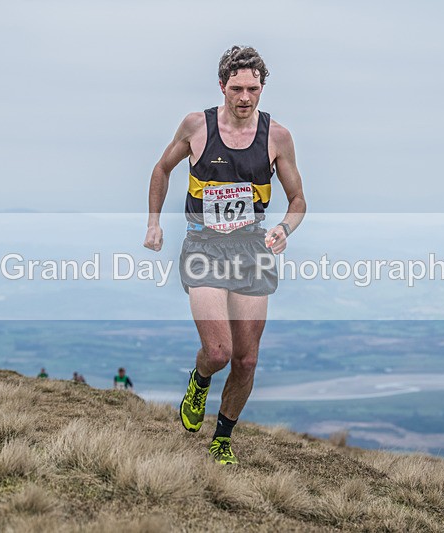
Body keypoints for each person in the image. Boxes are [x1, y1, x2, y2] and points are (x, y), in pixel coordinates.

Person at [143, 45, 306, 465]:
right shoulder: (198, 126)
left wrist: (284, 229)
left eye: (253, 88)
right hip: (205, 246)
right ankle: (199, 381)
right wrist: (153, 223)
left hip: (253, 248)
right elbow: (162, 168)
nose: (245, 97)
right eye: (237, 88)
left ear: (262, 87)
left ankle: (222, 441)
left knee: (247, 359)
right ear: (222, 86)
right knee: (219, 352)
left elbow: (298, 200)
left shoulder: (278, 136)